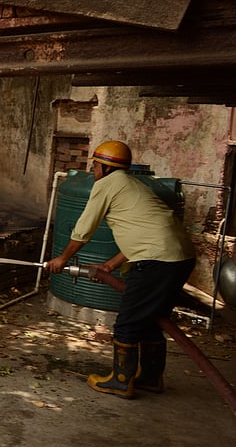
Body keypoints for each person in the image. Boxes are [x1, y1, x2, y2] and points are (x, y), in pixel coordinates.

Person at [45, 140, 196, 399]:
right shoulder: (134, 185)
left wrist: (61, 258)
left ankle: (120, 380)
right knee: (151, 319)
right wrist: (109, 265)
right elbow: (145, 234)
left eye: (94, 166)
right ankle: (150, 378)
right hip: (180, 257)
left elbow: (83, 230)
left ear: (105, 168)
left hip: (156, 261)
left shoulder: (107, 184)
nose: (93, 172)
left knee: (127, 323)